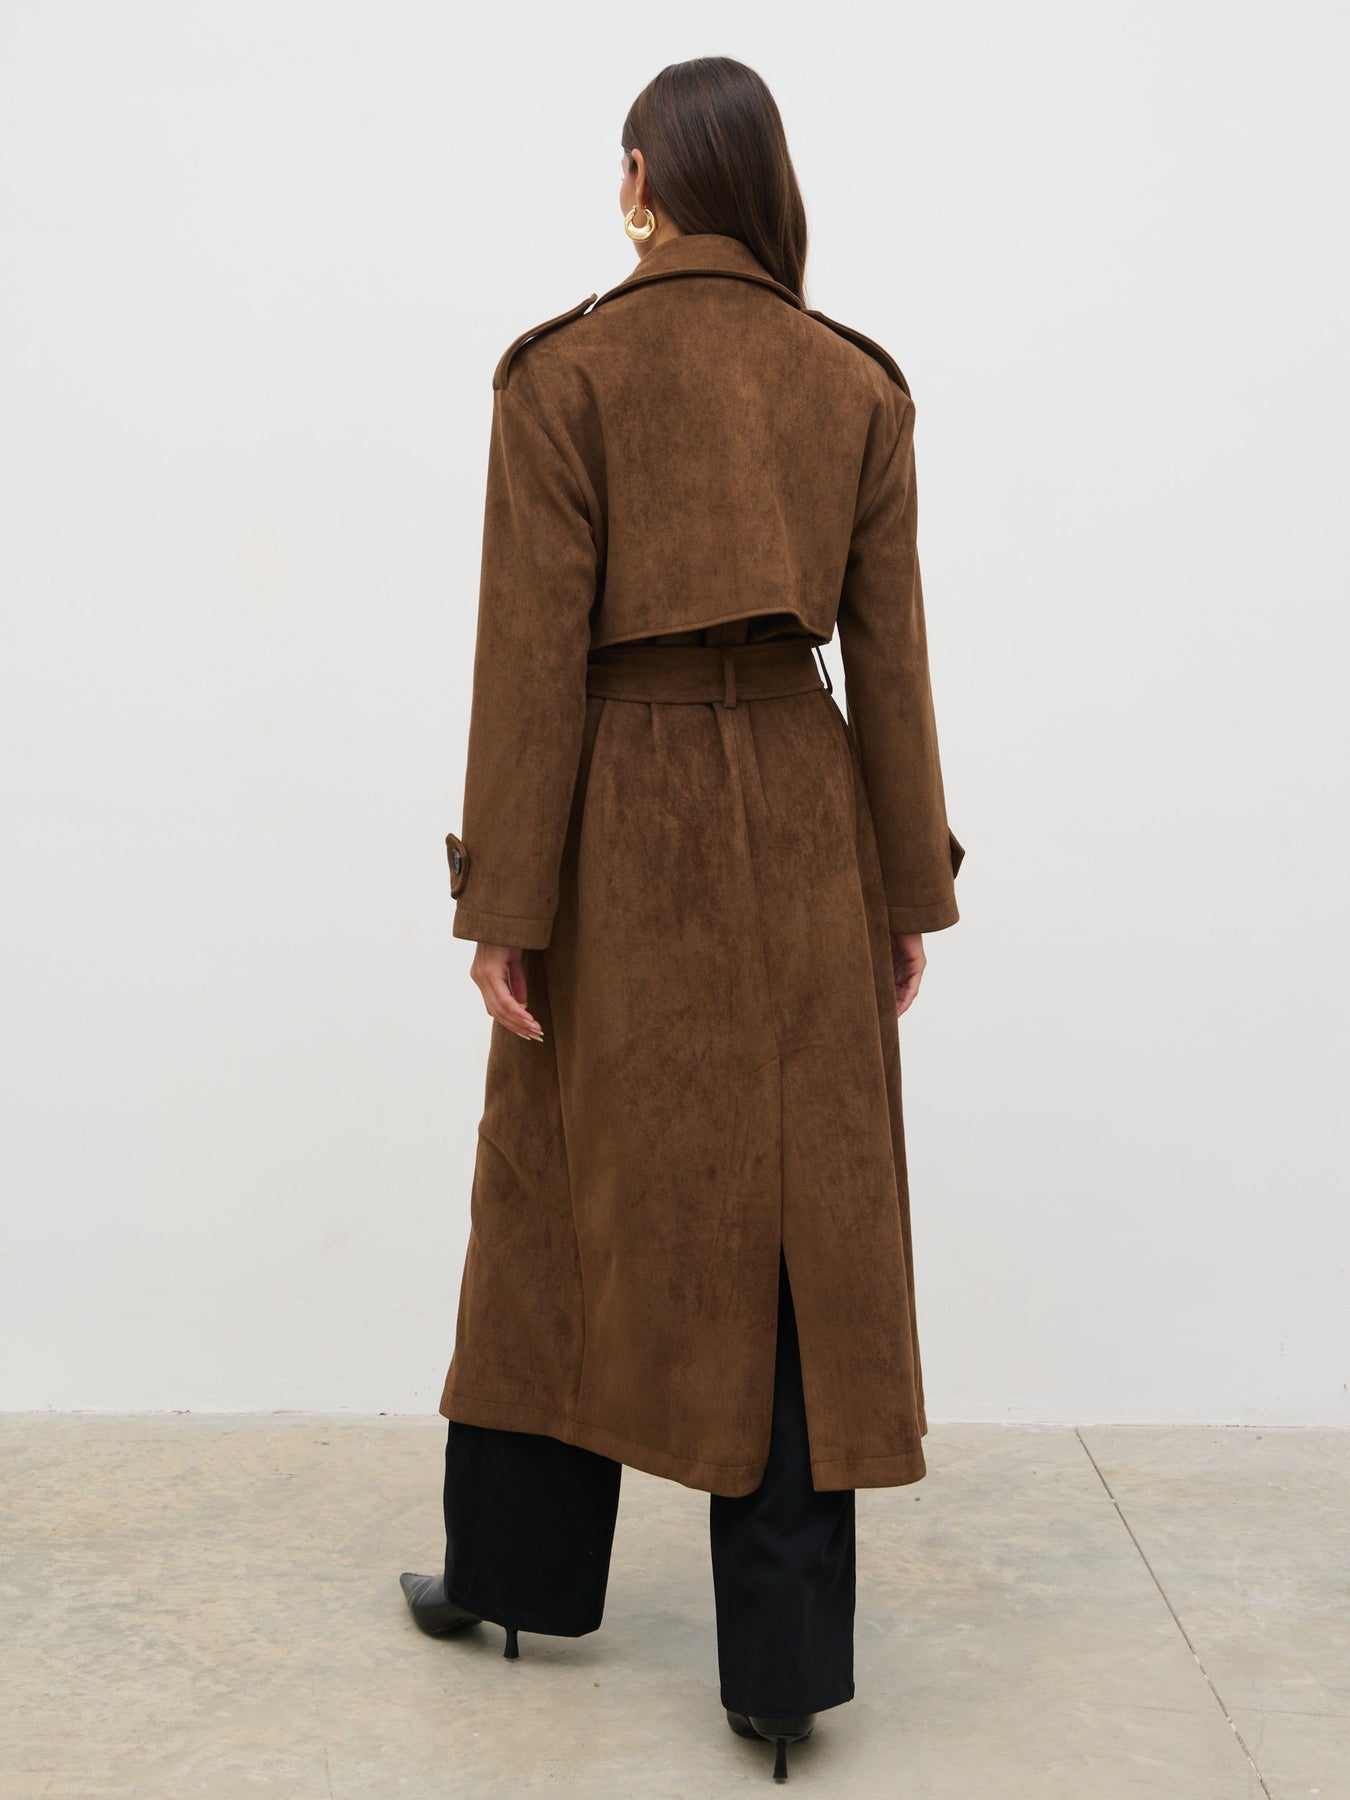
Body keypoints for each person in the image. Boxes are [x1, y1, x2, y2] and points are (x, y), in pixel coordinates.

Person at [400, 55, 966, 1783]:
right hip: (801, 805)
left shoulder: (563, 373)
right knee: (791, 1223)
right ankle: (778, 1675)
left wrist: (503, 903)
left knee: (558, 1192)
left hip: (613, 819)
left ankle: (513, 1577)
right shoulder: (849, 380)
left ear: (642, 179)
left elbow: (527, 662)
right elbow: (891, 660)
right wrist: (902, 887)